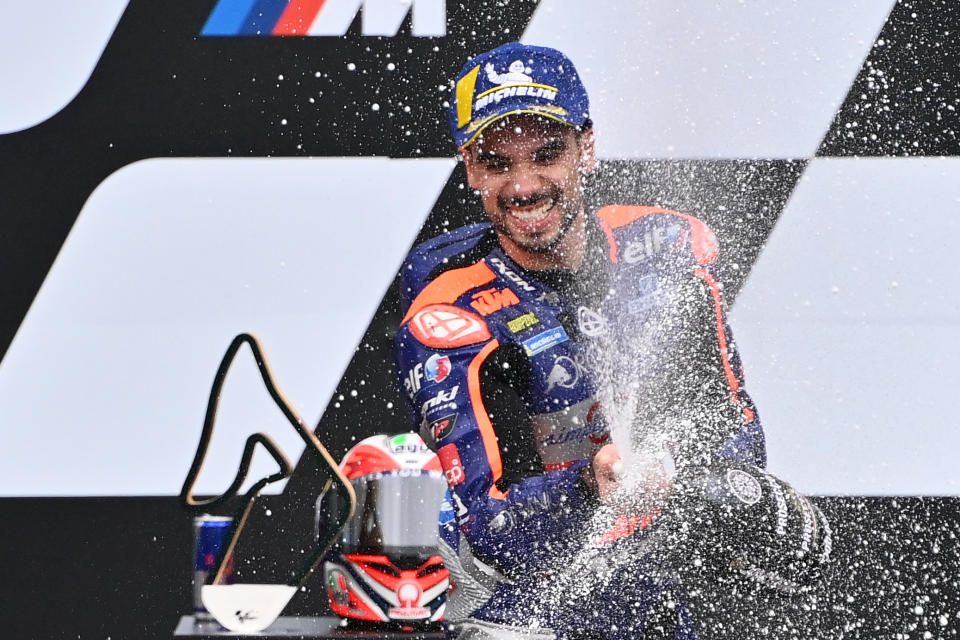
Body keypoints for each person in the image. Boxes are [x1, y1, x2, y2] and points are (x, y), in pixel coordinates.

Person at [394, 42, 832, 639]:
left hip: (651, 583)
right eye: (498, 163)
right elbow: (488, 533)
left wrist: (693, 471)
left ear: (587, 149)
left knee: (761, 521)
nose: (523, 186)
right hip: (516, 599)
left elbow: (735, 427)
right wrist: (586, 485)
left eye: (547, 154)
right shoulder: (446, 310)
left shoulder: (669, 247)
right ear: (471, 169)